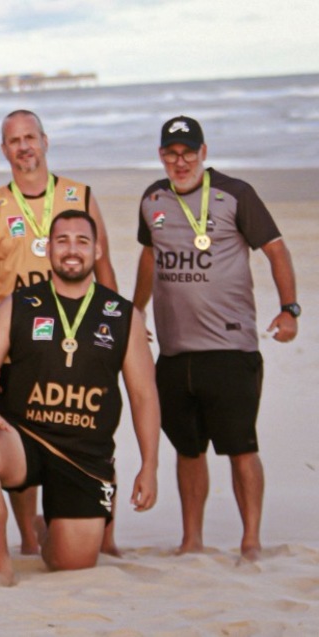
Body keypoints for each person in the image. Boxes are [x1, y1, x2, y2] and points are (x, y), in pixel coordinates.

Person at [0, 210, 160, 585]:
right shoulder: (19, 304)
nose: (71, 250)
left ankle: (44, 528)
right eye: (62, 241)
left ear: (98, 251)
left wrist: (150, 465)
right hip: (25, 440)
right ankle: (0, 566)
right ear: (48, 248)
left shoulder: (122, 315)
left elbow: (144, 395)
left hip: (83, 454)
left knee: (74, 563)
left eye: (82, 241)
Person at [132, 116, 299, 562]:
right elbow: (150, 255)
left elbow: (276, 249)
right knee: (188, 449)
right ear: (161, 155)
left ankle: (250, 541)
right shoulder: (152, 199)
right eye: (171, 153)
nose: (180, 161)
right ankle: (192, 541)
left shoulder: (235, 194)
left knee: (241, 447)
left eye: (188, 152)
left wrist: (289, 309)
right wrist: (136, 310)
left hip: (230, 349)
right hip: (174, 351)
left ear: (204, 152)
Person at [0, 109, 119, 555]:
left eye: (30, 137)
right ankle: (27, 539)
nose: (23, 147)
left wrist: (116, 325)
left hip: (79, 345)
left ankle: (107, 535)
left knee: (95, 438)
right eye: (13, 140)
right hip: (19, 349)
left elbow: (104, 263)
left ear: (45, 140)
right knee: (18, 442)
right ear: (4, 149)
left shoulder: (79, 194)